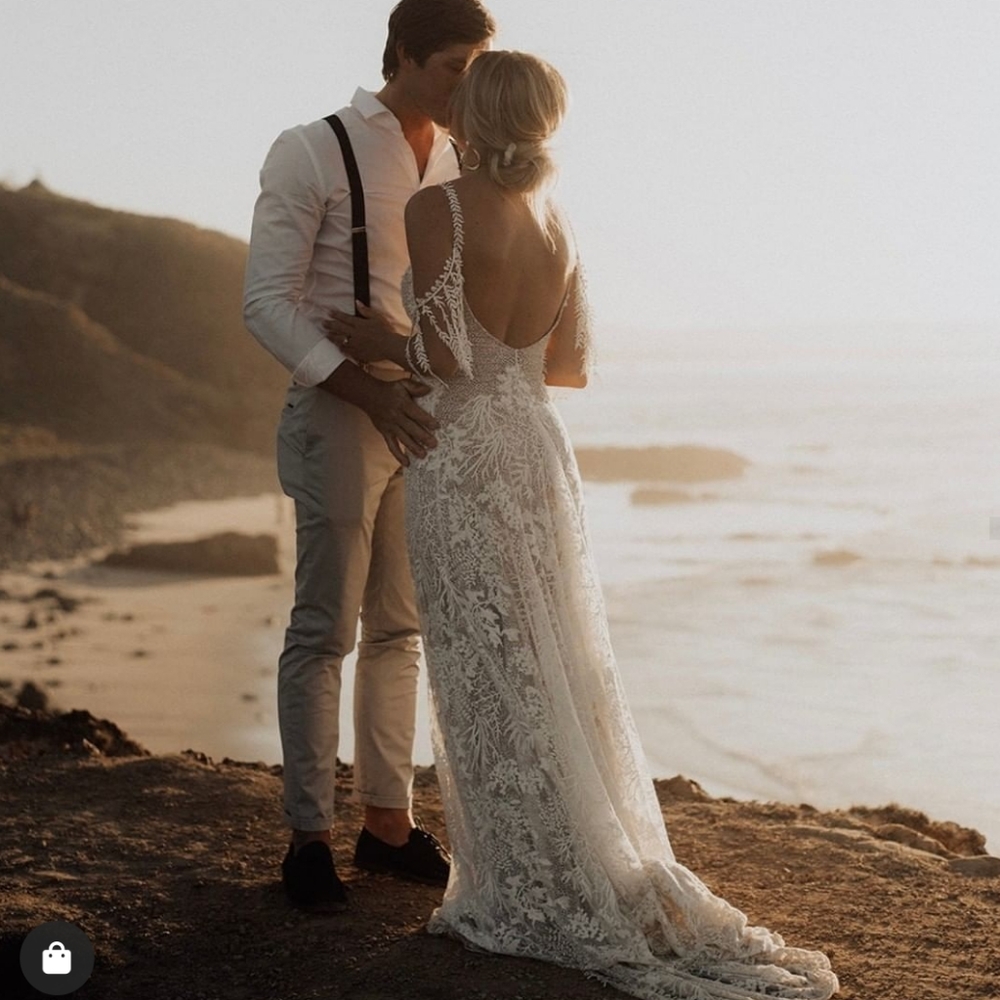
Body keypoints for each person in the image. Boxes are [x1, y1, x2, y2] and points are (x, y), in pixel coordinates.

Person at [325, 51, 840, 999]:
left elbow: (443, 359)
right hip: (538, 452)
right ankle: (575, 855)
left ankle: (517, 885)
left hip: (467, 454)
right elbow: (567, 370)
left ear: (472, 118)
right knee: (553, 655)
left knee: (487, 664)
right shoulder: (559, 223)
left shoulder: (435, 208)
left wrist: (378, 342)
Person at [242, 0, 496, 912]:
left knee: (402, 629)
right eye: (454, 67)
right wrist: (370, 387)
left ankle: (388, 824)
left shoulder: (468, 161)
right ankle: (308, 837)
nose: (468, 86)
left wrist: (416, 375)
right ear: (403, 55)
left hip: (427, 417)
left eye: (479, 67)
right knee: (324, 628)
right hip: (339, 414)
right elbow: (267, 304)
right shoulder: (312, 148)